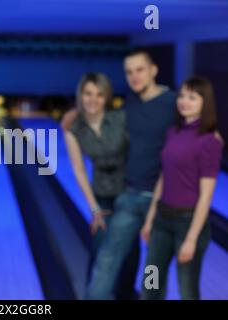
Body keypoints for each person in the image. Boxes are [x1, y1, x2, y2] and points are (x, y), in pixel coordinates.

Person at [86, 49, 178, 299]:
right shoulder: (131, 104)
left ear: (153, 71)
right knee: (106, 262)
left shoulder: (173, 103)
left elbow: (196, 132)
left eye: (139, 70)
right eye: (129, 72)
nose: (134, 76)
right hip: (128, 196)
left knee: (153, 273)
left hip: (161, 201)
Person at [140, 76, 223, 299]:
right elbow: (163, 178)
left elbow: (206, 196)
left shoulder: (210, 141)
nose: (184, 101)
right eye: (183, 96)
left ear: (205, 103)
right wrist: (150, 219)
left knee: (187, 290)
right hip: (162, 220)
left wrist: (191, 239)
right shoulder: (173, 132)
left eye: (192, 97)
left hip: (188, 223)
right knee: (150, 281)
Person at [64, 72, 139, 299]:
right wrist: (94, 208)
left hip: (128, 192)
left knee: (130, 255)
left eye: (99, 94)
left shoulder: (121, 119)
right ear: (81, 96)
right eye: (88, 93)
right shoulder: (73, 129)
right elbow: (78, 170)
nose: (93, 99)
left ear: (106, 97)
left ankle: (125, 295)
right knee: (98, 254)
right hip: (102, 196)